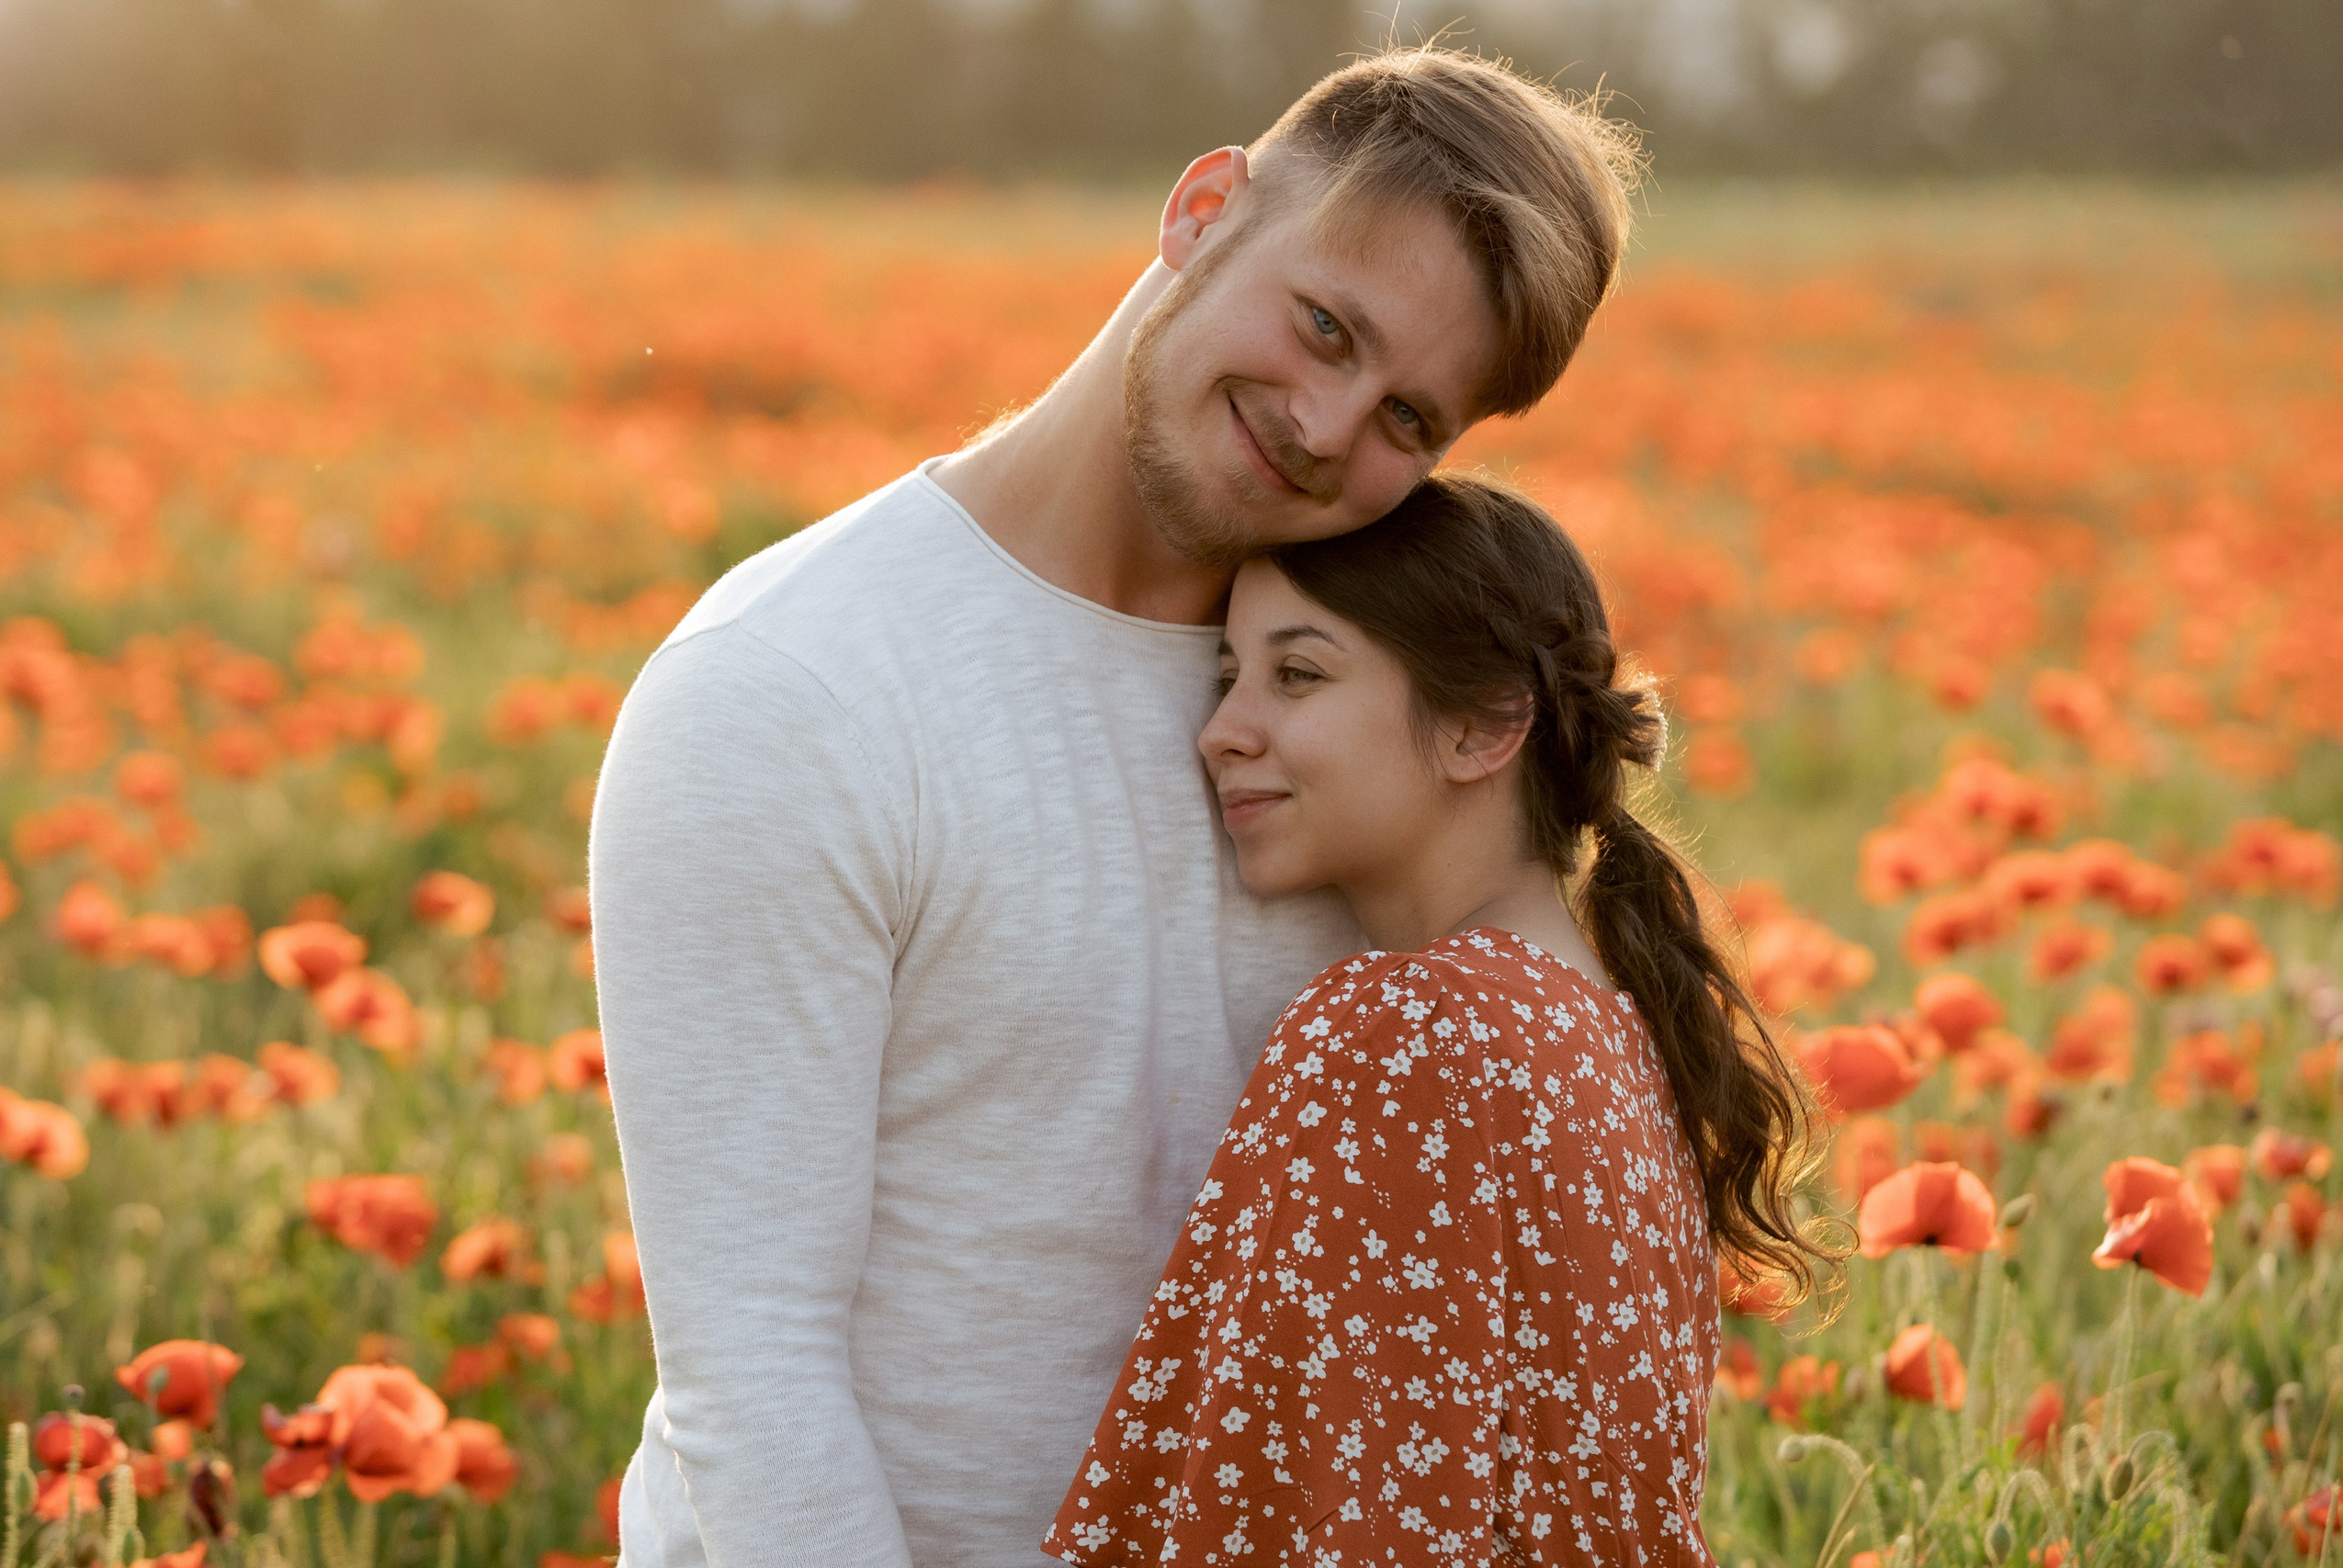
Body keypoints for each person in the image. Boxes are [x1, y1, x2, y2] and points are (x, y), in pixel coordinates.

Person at [588, 48, 1640, 1568]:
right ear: (1204, 210)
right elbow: (752, 1381)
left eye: (1412, 418)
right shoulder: (792, 686)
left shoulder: (1372, 723)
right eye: (1324, 325)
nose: (1332, 424)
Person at [1045, 475, 1833, 1566]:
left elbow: (1338, 1528)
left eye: (1298, 674)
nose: (1220, 732)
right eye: (1229, 678)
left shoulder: (1404, 1030)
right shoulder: (1615, 1028)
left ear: (1483, 725)